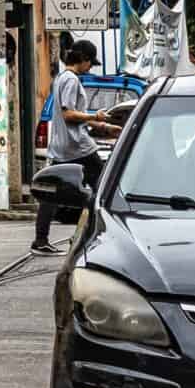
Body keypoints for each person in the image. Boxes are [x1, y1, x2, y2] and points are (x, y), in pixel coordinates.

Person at [33, 40, 123, 255]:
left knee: (51, 192)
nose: (90, 68)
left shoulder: (61, 78)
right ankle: (103, 235)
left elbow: (73, 116)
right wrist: (95, 115)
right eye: (90, 63)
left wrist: (103, 126)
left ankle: (41, 240)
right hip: (78, 146)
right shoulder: (72, 81)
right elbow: (69, 114)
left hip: (63, 146)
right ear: (83, 60)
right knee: (105, 188)